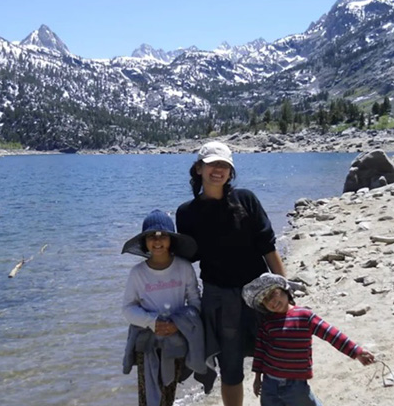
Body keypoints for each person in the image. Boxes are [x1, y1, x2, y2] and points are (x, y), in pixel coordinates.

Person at [176, 141, 287, 406]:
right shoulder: (186, 213)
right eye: (212, 164)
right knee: (230, 368)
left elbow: (268, 248)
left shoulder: (246, 199)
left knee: (276, 359)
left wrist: (285, 290)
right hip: (219, 298)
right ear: (198, 169)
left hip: (262, 294)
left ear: (230, 171)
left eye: (224, 165)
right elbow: (185, 261)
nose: (218, 170)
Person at [242, 273, 376, 406]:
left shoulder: (304, 316)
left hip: (296, 384)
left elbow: (331, 334)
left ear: (285, 290)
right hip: (269, 384)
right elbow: (260, 350)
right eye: (265, 300)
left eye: (273, 294)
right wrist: (257, 378)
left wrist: (356, 351)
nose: (271, 302)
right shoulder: (267, 322)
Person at [120, 209, 207, 406]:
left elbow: (195, 302)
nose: (157, 241)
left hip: (176, 340)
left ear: (171, 240)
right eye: (151, 236)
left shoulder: (184, 268)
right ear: (144, 242)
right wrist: (152, 322)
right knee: (147, 396)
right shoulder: (137, 273)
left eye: (163, 236)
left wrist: (178, 323)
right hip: (147, 343)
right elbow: (127, 308)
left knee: (168, 393)